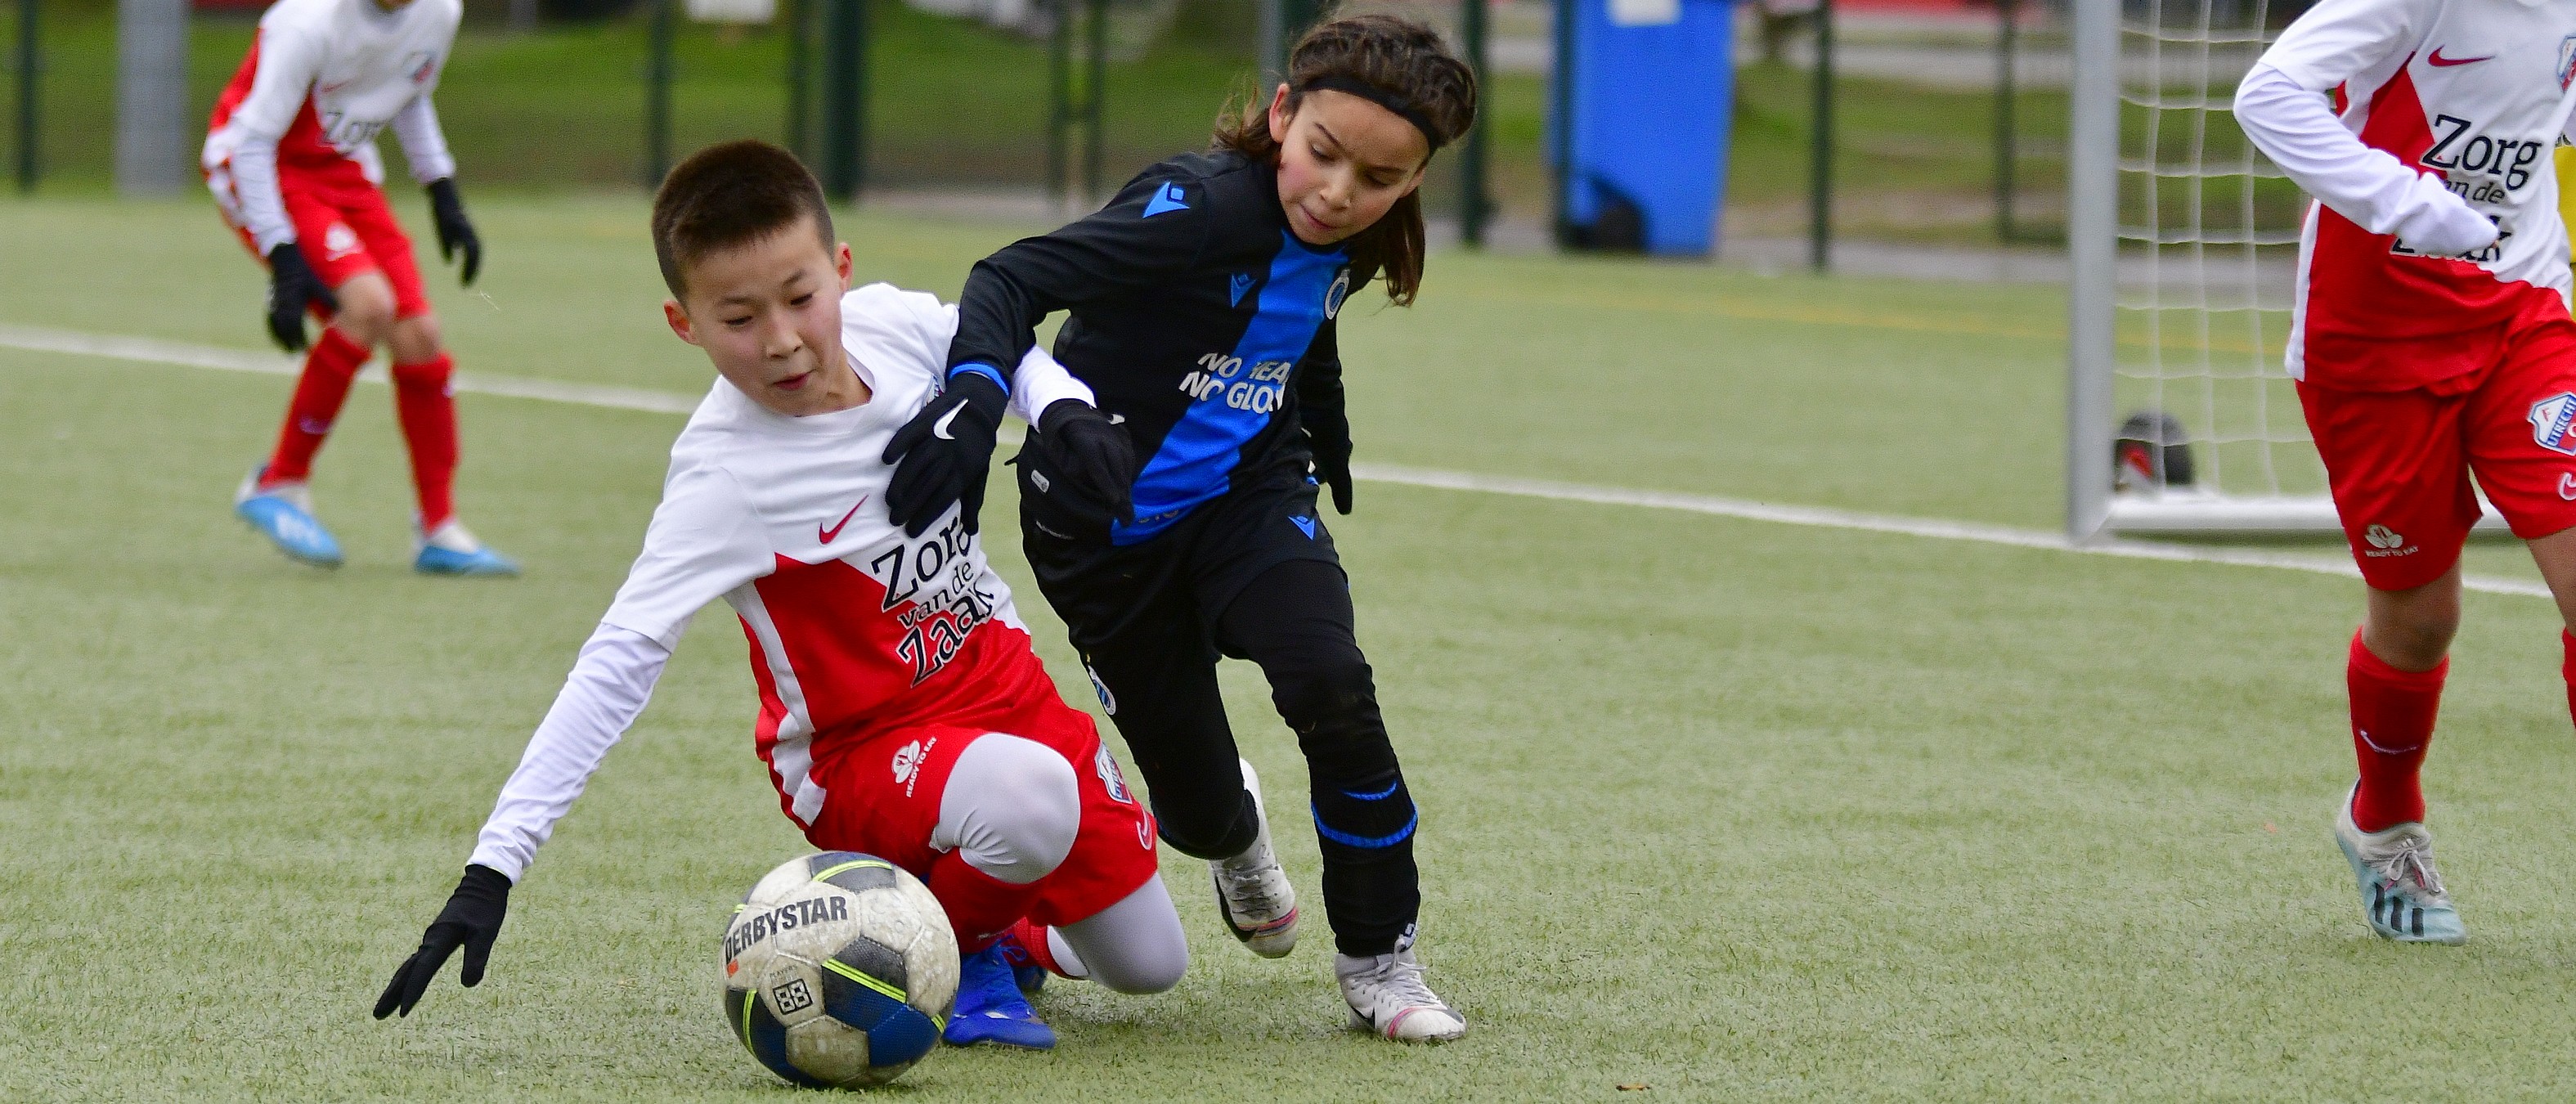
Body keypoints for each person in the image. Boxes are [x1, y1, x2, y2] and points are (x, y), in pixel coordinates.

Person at [371, 141, 1187, 1051]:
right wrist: (494, 867)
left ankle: (1005, 914)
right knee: (1032, 801)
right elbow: (618, 661)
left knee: (1151, 965)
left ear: (840, 272)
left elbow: (1002, 344)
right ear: (685, 324)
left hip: (1006, 695)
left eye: (800, 298)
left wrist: (1062, 407)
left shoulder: (893, 325)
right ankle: (965, 953)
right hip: (862, 752)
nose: (783, 339)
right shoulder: (723, 477)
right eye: (738, 317)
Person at [879, 15, 1474, 1041]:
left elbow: (1303, 320)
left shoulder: (1358, 229)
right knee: (1194, 812)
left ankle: (1382, 963)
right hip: (1101, 533)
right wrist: (976, 392)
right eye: (1323, 155)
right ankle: (1233, 833)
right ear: (1283, 114)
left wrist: (1320, 422)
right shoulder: (1197, 209)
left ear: (1414, 178)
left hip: (1250, 500)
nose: (1338, 194)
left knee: (1331, 683)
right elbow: (1010, 278)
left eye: (1377, 180)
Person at [2234, 0, 2576, 945]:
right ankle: (2382, 821)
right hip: (2371, 343)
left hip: (2523, 307)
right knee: (2421, 618)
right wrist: (2415, 206)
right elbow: (2267, 95)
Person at [202, 0, 516, 574]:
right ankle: (279, 483)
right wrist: (285, 257)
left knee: (421, 335)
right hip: (264, 166)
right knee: (368, 305)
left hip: (342, 169)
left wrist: (442, 189)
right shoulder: (308, 23)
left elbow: (409, 91)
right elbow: (250, 144)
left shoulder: (441, 12)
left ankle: (439, 528)